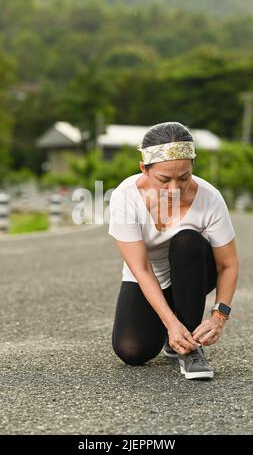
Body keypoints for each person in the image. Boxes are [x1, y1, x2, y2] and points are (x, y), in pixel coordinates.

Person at [108, 122, 239, 380]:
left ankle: (190, 347)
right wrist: (170, 323)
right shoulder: (125, 197)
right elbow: (141, 269)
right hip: (149, 278)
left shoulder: (210, 198)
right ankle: (174, 332)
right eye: (164, 179)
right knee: (132, 351)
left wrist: (219, 316)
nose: (174, 189)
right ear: (144, 169)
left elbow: (228, 264)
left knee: (187, 240)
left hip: (193, 272)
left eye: (184, 177)